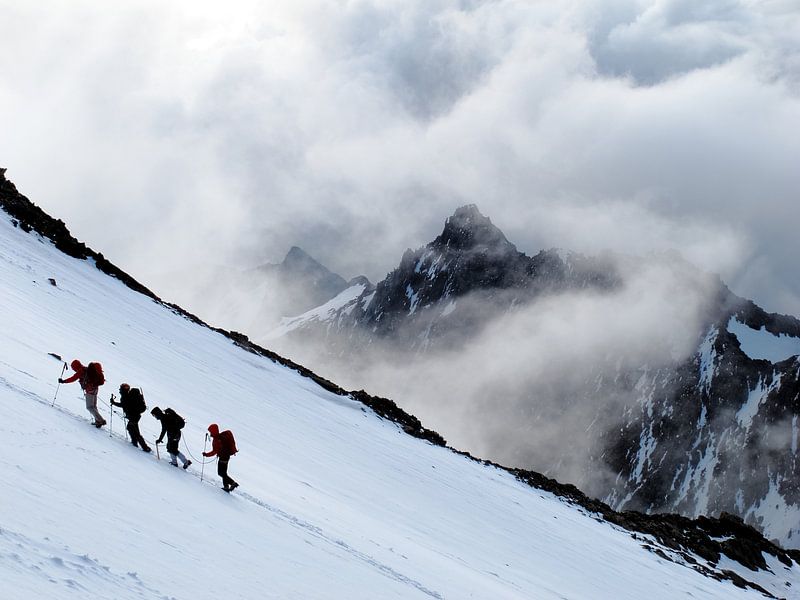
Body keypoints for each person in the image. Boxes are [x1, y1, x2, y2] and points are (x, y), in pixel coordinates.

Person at [59, 359, 106, 427]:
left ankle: (100, 420)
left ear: (75, 367)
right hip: (95, 389)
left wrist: (63, 381)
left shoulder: (81, 371)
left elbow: (73, 378)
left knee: (89, 407)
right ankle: (98, 421)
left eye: (73, 368)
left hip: (90, 390)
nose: (74, 370)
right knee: (93, 406)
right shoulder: (86, 369)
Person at [110, 384, 151, 452]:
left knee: (134, 430)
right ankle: (135, 442)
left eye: (121, 389)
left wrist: (113, 403)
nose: (120, 391)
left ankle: (144, 447)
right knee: (132, 428)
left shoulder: (126, 397)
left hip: (133, 416)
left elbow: (123, 405)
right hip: (135, 416)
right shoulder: (129, 395)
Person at [203, 423, 238, 492]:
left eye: (210, 431)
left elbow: (214, 451)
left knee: (221, 473)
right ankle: (226, 487)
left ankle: (233, 483)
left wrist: (206, 454)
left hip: (222, 458)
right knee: (224, 473)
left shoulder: (216, 440)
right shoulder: (221, 437)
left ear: (213, 431)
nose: (210, 433)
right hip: (226, 456)